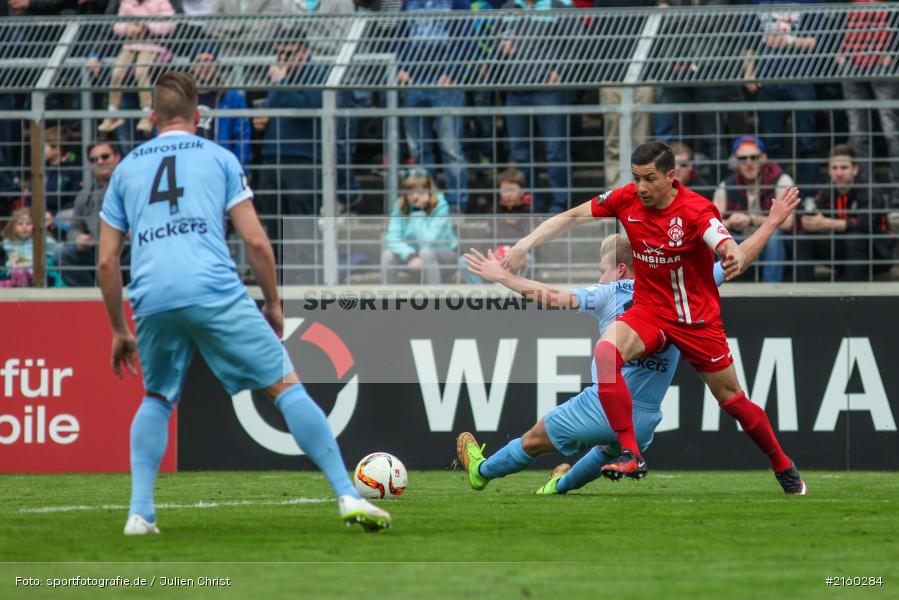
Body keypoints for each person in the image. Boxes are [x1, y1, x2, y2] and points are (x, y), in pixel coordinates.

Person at [97, 71, 390, 535]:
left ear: (152, 118)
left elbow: (108, 264)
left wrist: (118, 329)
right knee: (284, 385)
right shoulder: (218, 157)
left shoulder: (126, 169)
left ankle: (139, 513)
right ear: (198, 117)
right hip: (212, 286)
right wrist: (273, 302)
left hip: (151, 293)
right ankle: (347, 495)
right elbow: (255, 242)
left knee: (156, 396)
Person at [503, 140, 806, 493]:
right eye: (636, 178)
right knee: (606, 352)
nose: (641, 187)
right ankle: (631, 453)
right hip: (650, 311)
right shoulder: (626, 199)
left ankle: (783, 465)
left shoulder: (696, 209)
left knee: (733, 401)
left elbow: (722, 243)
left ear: (672, 177)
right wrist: (525, 243)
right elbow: (572, 216)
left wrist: (737, 247)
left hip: (696, 320)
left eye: (649, 179)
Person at [253, 33, 326, 284]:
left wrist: (281, 83)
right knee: (274, 229)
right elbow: (274, 108)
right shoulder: (279, 78)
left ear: (303, 53)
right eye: (279, 53)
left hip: (302, 161)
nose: (282, 58)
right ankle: (278, 289)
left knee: (303, 228)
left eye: (288, 53)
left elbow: (307, 108)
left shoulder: (317, 74)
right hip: (273, 158)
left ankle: (308, 287)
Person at [398, 0, 471, 212]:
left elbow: (466, 39)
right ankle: (425, 204)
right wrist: (401, 66)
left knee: (451, 148)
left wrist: (452, 71)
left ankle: (457, 204)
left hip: (445, 83)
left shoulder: (458, 2)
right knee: (419, 150)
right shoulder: (408, 3)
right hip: (413, 82)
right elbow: (398, 35)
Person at [797, 144, 893, 281]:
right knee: (803, 237)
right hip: (844, 250)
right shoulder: (827, 191)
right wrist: (809, 221)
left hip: (877, 252)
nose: (839, 173)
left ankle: (852, 294)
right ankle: (802, 291)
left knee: (855, 237)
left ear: (855, 169)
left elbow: (865, 224)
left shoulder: (870, 190)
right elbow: (815, 210)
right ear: (829, 171)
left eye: (844, 168)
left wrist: (825, 223)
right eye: (834, 168)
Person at [713, 136, 795, 282]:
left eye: (754, 157)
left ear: (763, 158)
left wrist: (751, 219)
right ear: (736, 161)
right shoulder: (727, 185)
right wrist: (730, 223)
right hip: (740, 243)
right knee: (721, 239)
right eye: (743, 159)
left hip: (771, 245)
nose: (749, 163)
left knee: (775, 237)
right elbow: (713, 222)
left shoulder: (780, 180)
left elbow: (788, 223)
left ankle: (770, 291)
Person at [97, 0, 176, 135]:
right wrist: (128, 28)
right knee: (117, 73)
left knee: (141, 71)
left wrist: (145, 25)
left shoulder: (161, 2)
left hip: (152, 45)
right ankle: (112, 113)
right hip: (130, 44)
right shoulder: (126, 2)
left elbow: (170, 24)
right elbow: (118, 25)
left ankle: (147, 113)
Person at [56, 141, 122, 286]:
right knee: (62, 254)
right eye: (93, 160)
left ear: (117, 157)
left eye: (105, 157)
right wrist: (78, 237)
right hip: (95, 251)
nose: (99, 162)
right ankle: (95, 293)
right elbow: (74, 227)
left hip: (125, 250)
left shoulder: (131, 186)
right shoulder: (84, 194)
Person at [381, 168, 457, 284]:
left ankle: (435, 299)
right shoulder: (400, 206)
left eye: (420, 191)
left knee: (426, 252)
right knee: (387, 255)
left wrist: (417, 210)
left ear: (429, 190)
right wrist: (409, 256)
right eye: (410, 191)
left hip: (443, 258)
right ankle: (386, 299)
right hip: (413, 258)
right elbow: (392, 237)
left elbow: (427, 242)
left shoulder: (441, 206)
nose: (414, 196)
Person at [459, 167, 533, 283]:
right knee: (464, 261)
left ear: (522, 191)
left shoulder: (529, 211)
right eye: (504, 190)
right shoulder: (494, 210)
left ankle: (514, 290)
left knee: (529, 259)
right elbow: (489, 237)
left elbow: (530, 241)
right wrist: (493, 253)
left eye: (512, 190)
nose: (508, 194)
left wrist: (510, 251)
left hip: (515, 256)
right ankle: (483, 294)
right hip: (496, 255)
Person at [191, 42, 252, 167]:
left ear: (217, 64)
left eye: (209, 60)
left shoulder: (233, 98)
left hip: (220, 166)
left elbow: (241, 137)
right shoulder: (182, 98)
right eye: (199, 61)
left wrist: (242, 169)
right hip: (190, 165)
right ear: (192, 66)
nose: (204, 66)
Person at [2, 207, 56, 287]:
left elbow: (53, 248)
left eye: (28, 224)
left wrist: (43, 229)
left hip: (36, 274)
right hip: (14, 273)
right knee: (18, 272)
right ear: (13, 226)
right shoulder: (8, 242)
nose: (24, 227)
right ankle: (15, 284)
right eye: (20, 224)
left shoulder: (42, 240)